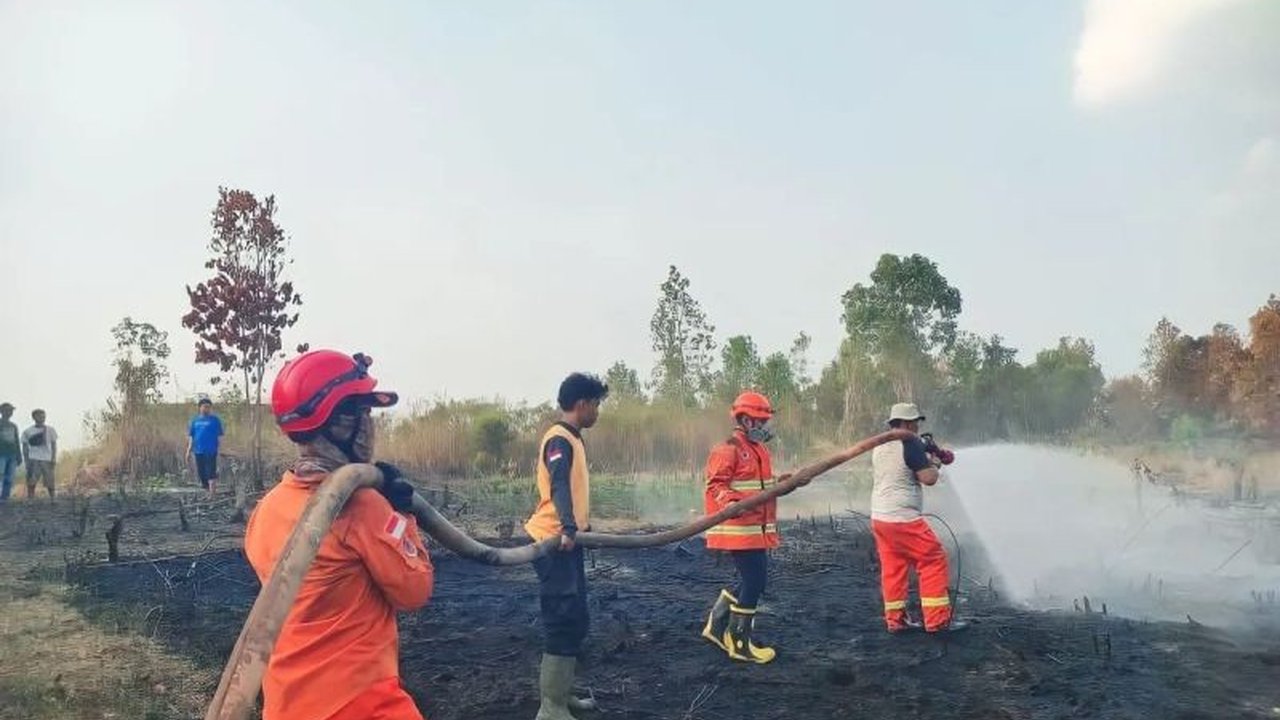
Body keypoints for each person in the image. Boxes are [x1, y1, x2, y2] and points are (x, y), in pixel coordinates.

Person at [244, 349, 433, 720]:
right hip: (359, 701)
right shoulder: (361, 508)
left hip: (286, 703)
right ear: (339, 422)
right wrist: (402, 516)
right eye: (361, 412)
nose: (369, 425)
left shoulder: (268, 508)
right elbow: (415, 590)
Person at [523, 372, 609, 720]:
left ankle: (562, 694)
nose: (598, 413)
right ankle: (551, 708)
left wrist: (581, 528)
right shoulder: (559, 439)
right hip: (553, 540)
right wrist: (571, 527)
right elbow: (559, 485)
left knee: (576, 617)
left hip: (568, 540)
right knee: (562, 619)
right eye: (597, 405)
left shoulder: (571, 438)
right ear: (582, 404)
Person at [700, 391, 782, 664]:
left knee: (750, 581)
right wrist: (734, 503)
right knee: (755, 582)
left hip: (755, 530)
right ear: (746, 421)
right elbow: (715, 486)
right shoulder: (728, 449)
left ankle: (717, 626)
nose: (767, 427)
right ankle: (739, 643)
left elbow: (759, 487)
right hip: (740, 532)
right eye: (762, 421)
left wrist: (785, 483)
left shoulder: (758, 450)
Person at [869, 402, 963, 634]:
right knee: (933, 559)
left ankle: (896, 620)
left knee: (894, 566)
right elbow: (928, 478)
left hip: (880, 517)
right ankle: (937, 621)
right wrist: (936, 462)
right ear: (908, 423)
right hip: (902, 517)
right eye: (915, 423)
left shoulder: (880, 445)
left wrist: (928, 453)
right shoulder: (909, 443)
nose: (917, 427)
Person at [186, 397, 224, 498]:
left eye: (208, 407)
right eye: (204, 407)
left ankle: (212, 494)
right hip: (198, 450)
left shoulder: (215, 420)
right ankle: (207, 492)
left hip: (211, 450)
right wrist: (189, 450)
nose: (206, 409)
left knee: (211, 472)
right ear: (200, 408)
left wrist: (220, 449)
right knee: (202, 473)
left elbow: (220, 436)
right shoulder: (194, 421)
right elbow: (191, 437)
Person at [21, 409, 57, 499]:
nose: (42, 418)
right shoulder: (27, 431)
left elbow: (54, 445)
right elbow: (25, 446)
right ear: (34, 417)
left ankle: (53, 498)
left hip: (47, 458)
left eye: (43, 416)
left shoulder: (50, 430)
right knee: (31, 480)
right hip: (33, 458)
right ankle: (30, 499)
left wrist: (53, 458)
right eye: (40, 416)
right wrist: (26, 460)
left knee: (50, 480)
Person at [0, 403, 21, 502]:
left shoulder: (14, 426)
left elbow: (17, 441)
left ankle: (5, 497)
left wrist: (19, 455)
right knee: (1, 475)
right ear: (2, 411)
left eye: (11, 410)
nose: (10, 412)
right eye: (7, 410)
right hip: (1, 454)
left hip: (12, 454)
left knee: (9, 477)